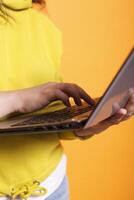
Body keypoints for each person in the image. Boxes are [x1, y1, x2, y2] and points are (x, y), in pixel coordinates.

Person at [0, 0, 133, 200]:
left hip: (52, 186)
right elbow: (27, 100)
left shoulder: (45, 27)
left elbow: (46, 118)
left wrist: (84, 125)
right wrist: (19, 99)